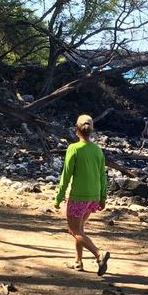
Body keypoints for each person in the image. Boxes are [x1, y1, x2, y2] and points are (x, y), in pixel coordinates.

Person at [54, 114, 111, 275]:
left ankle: (99, 254)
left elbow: (66, 175)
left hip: (78, 197)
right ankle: (78, 262)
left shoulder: (74, 148)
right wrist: (102, 197)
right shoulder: (98, 150)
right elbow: (102, 176)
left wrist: (59, 197)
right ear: (91, 131)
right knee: (80, 229)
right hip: (93, 197)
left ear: (76, 130)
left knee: (74, 230)